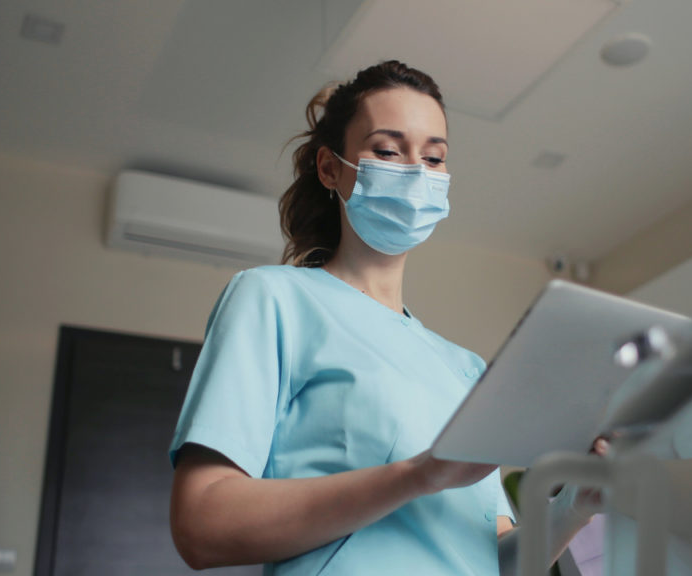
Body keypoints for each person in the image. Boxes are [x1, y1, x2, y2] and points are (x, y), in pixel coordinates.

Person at [168, 60, 601, 576]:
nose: (418, 171)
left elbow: (494, 561)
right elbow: (202, 525)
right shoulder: (274, 299)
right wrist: (419, 475)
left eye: (435, 156)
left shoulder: (466, 369)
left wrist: (575, 505)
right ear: (331, 169)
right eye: (388, 151)